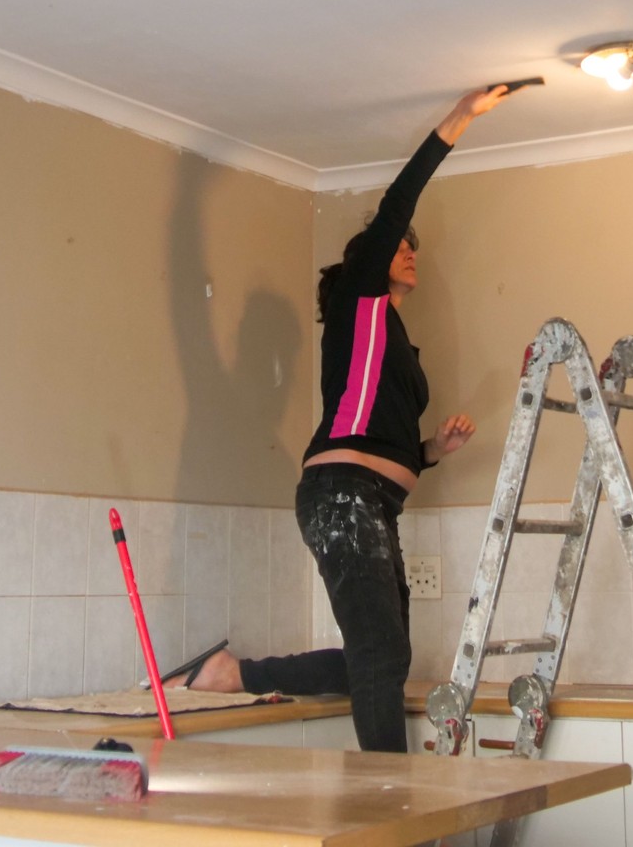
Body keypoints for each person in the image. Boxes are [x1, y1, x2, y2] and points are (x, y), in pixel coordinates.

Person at [166, 84, 517, 751]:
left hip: (374, 500)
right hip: (342, 495)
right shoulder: (362, 305)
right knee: (381, 659)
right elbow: (395, 205)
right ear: (365, 265)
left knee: (384, 659)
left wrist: (433, 450)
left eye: (413, 247)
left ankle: (232, 672)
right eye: (398, 246)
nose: (410, 250)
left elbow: (386, 439)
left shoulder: (398, 348)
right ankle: (391, 811)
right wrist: (458, 119)